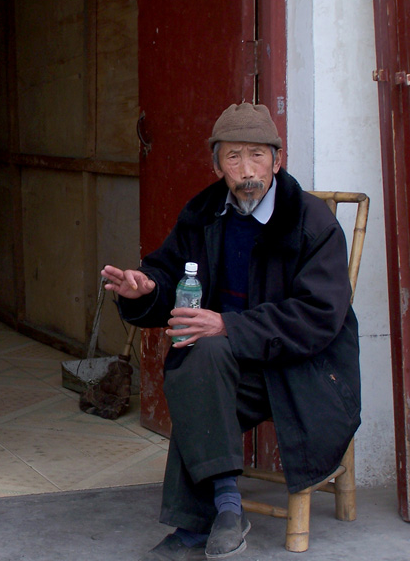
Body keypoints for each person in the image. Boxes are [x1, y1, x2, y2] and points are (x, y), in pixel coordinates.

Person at [101, 103, 360, 560]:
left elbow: (319, 316)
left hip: (301, 372)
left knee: (200, 365)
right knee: (196, 360)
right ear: (216, 164)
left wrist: (228, 324)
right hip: (229, 368)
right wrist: (143, 291)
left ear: (278, 162)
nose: (247, 169)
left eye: (257, 155)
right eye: (234, 156)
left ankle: (196, 527)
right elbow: (167, 277)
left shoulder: (312, 223)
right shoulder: (202, 213)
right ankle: (226, 507)